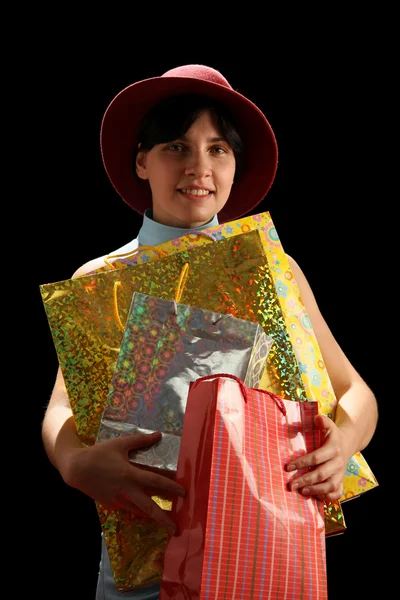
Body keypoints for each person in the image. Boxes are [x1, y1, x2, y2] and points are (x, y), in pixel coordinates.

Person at [41, 64, 379, 599]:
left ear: (234, 164)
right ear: (142, 162)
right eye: (177, 145)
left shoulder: (275, 268)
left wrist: (342, 444)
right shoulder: (102, 279)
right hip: (147, 555)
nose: (199, 166)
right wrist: (74, 464)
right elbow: (61, 409)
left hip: (266, 544)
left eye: (218, 148)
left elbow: (356, 393)